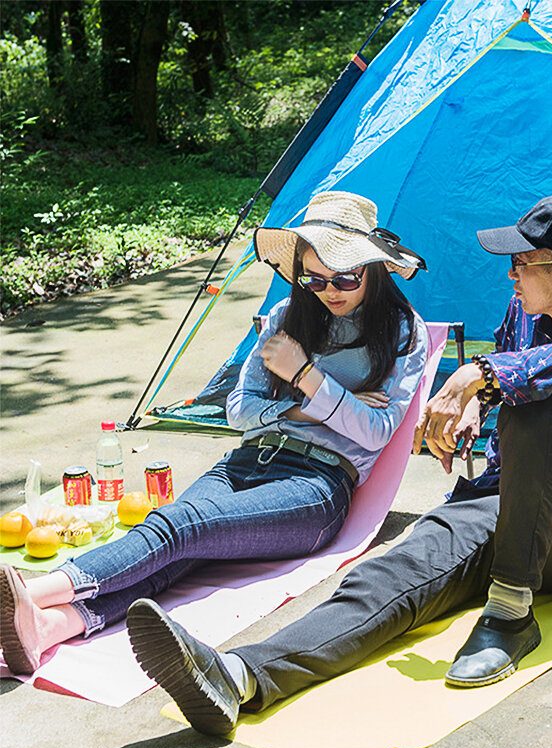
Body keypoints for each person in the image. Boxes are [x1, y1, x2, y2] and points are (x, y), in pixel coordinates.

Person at [122, 194, 552, 737]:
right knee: (386, 574)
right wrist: (473, 409)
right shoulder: (522, 314)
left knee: (539, 406)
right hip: (498, 503)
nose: (511, 277)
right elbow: (503, 386)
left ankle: (509, 615)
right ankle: (240, 677)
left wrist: (477, 377)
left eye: (520, 264)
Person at [0, 191, 428, 677]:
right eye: (313, 277)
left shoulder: (400, 330)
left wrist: (304, 373)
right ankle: (46, 626)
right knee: (178, 551)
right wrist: (316, 410)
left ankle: (26, 594)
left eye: (345, 277)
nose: (329, 290)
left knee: (179, 527)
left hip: (316, 487)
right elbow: (239, 412)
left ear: (373, 268)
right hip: (246, 462)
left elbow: (374, 433)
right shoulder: (289, 315)